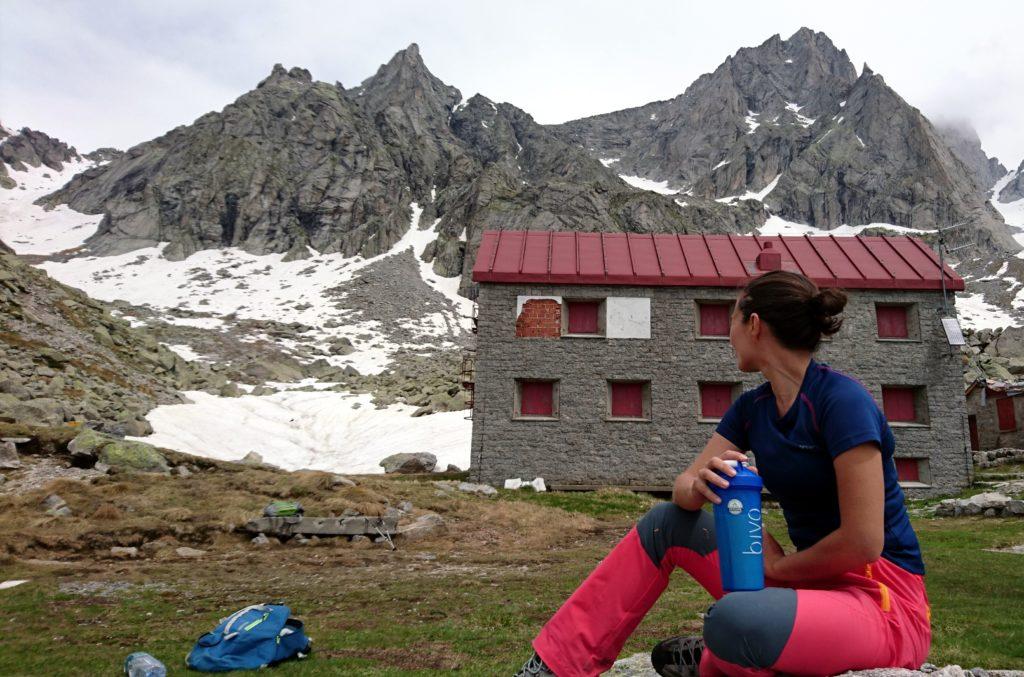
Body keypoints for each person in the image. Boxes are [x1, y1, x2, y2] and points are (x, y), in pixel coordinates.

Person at [514, 270, 931, 677]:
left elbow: (864, 542)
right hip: (807, 590)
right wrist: (699, 485)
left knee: (734, 621)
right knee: (666, 524)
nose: (726, 335)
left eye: (731, 320)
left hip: (880, 601)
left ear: (753, 325)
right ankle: (555, 666)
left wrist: (777, 570)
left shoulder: (842, 402)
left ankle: (722, 658)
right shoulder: (752, 409)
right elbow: (681, 489)